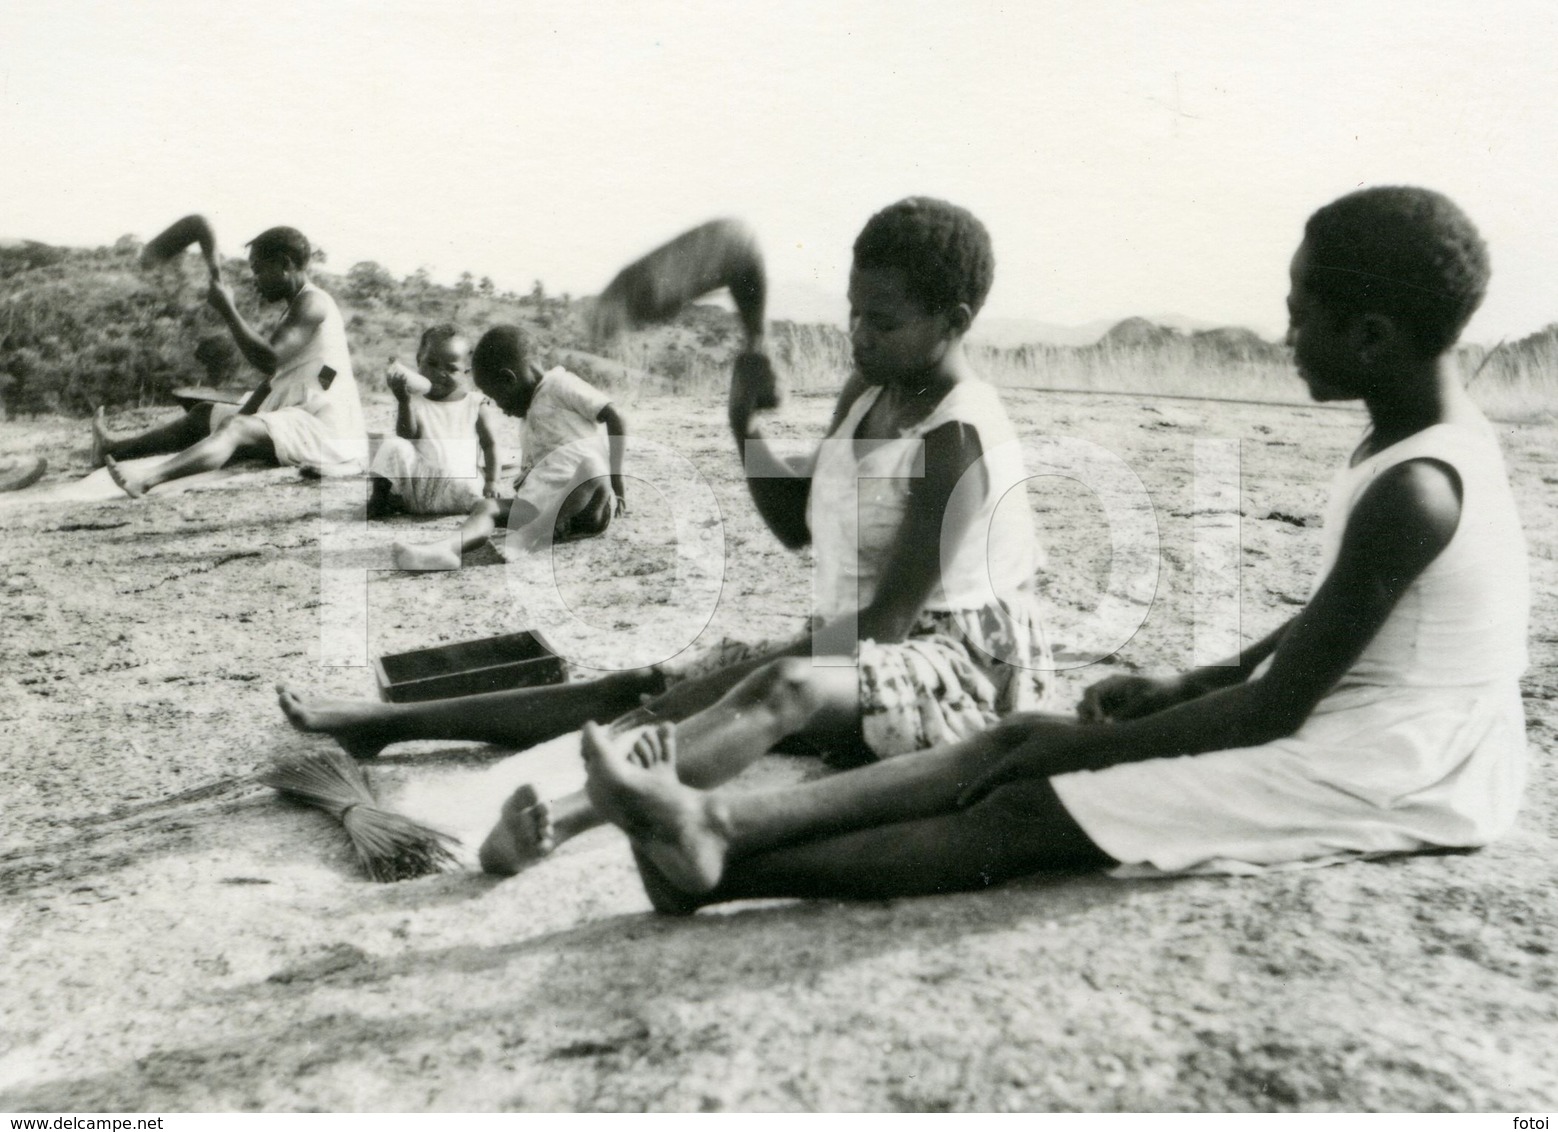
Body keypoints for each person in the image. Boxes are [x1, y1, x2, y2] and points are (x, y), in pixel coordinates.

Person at [577, 186, 1531, 913]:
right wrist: (1190, 682)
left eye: (1300, 314)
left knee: (1028, 805)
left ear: (1370, 334)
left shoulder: (1416, 487)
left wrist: (1091, 743)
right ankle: (713, 828)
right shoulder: (1412, 447)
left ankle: (722, 866)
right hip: (1377, 724)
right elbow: (1333, 616)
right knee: (1014, 743)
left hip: (1402, 766)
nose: (1286, 335)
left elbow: (1278, 712)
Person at [278, 197, 1057, 874]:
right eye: (854, 310)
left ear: (954, 321)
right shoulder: (869, 389)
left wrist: (730, 682)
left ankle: (573, 815)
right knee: (644, 686)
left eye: (882, 321)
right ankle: (390, 727)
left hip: (957, 671)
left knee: (773, 687)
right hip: (856, 641)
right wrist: (744, 423)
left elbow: (887, 626)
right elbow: (797, 527)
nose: (858, 333)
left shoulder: (957, 439)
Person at [96, 227, 366, 498]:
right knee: (204, 414)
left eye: (258, 269)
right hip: (299, 413)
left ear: (285, 264)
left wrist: (228, 309)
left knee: (235, 429)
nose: (254, 280)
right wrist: (243, 413)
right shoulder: (297, 305)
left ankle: (146, 479)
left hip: (325, 432)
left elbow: (269, 360)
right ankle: (112, 449)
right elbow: (274, 379)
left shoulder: (313, 303)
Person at [388, 325, 627, 570]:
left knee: (594, 465)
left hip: (586, 506)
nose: (502, 409)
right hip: (542, 507)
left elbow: (614, 415)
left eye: (498, 397)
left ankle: (532, 534)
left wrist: (616, 480)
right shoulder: (530, 414)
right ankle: (445, 550)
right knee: (486, 506)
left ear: (508, 379)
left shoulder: (561, 384)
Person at [366, 325, 504, 518]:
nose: (440, 373)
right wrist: (404, 401)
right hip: (423, 488)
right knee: (393, 445)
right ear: (418, 360)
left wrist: (492, 481)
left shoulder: (474, 403)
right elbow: (407, 436)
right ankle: (379, 500)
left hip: (460, 490)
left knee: (471, 480)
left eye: (451, 368)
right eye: (431, 363)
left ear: (466, 372)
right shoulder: (416, 401)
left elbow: (491, 445)